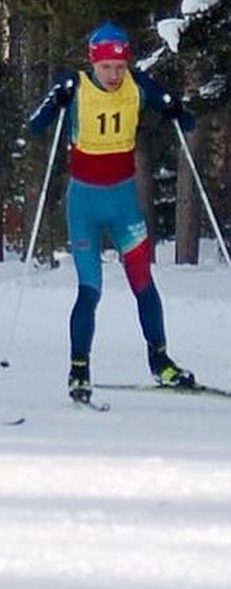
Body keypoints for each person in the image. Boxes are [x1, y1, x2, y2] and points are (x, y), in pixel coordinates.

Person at [28, 21, 197, 405]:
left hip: (124, 202)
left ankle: (161, 362)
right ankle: (79, 369)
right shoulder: (77, 87)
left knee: (144, 284)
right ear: (94, 63)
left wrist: (175, 110)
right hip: (84, 204)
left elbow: (177, 110)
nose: (114, 75)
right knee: (90, 290)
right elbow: (37, 124)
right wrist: (55, 101)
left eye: (120, 67)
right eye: (107, 67)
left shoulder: (138, 85)